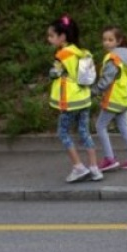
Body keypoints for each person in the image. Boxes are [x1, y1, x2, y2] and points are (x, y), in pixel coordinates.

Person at [46, 16, 104, 184]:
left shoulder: (62, 55)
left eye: (52, 36)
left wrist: (54, 72)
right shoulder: (83, 52)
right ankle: (94, 167)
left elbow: (54, 73)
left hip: (69, 100)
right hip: (84, 97)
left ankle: (78, 167)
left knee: (63, 132)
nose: (49, 39)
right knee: (84, 131)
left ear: (63, 36)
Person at [90, 26, 127, 173]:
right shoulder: (126, 57)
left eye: (110, 40)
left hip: (114, 99)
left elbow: (105, 82)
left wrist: (91, 92)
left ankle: (109, 158)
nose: (106, 42)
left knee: (100, 126)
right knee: (124, 127)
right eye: (104, 39)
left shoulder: (113, 59)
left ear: (118, 41)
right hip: (125, 98)